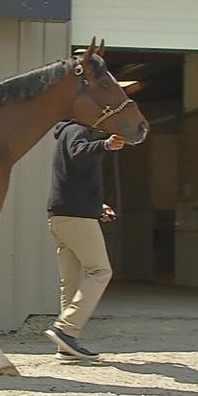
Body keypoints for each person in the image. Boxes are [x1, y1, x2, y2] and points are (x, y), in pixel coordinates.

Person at [44, 119, 125, 361]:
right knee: (100, 271)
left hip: (65, 215)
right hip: (76, 217)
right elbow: (79, 154)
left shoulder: (68, 132)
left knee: (71, 280)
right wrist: (106, 145)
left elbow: (74, 177)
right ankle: (66, 329)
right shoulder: (76, 130)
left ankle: (66, 345)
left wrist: (95, 206)